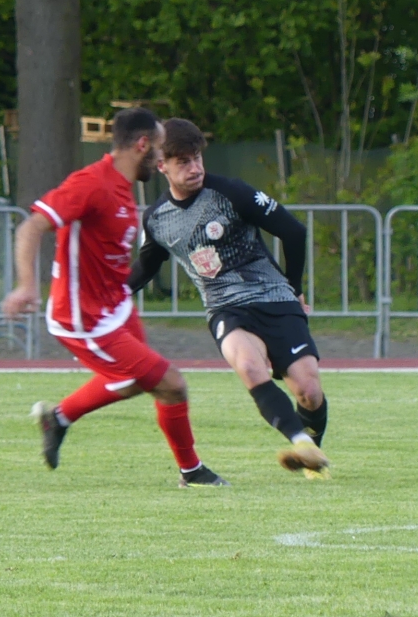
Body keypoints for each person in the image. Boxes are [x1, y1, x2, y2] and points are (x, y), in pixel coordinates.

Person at [1, 109, 227, 486]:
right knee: (171, 384)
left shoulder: (122, 186)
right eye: (158, 150)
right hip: (83, 318)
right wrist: (26, 285)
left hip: (116, 306)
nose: (160, 160)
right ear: (141, 145)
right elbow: (30, 228)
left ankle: (58, 419)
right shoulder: (91, 184)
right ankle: (193, 473)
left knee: (140, 380)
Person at [130, 118, 330, 477]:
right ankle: (300, 441)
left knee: (309, 392)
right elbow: (144, 269)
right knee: (250, 366)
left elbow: (294, 232)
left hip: (274, 296)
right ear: (162, 166)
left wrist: (294, 288)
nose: (195, 169)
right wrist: (106, 296)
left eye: (198, 158)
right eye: (183, 162)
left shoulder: (232, 193)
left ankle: (312, 448)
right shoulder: (157, 220)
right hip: (225, 307)